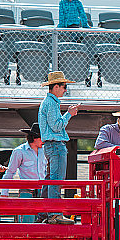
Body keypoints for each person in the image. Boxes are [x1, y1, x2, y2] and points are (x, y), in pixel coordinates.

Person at [38, 71, 80, 225]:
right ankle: (54, 214)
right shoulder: (51, 103)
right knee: (56, 180)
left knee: (50, 179)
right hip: (55, 145)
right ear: (56, 87)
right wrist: (69, 114)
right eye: (64, 86)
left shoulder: (49, 102)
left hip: (51, 145)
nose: (65, 89)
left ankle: (44, 212)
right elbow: (56, 126)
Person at [1, 123, 46, 223]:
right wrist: (4, 193)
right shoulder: (19, 151)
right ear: (34, 138)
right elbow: (10, 172)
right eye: (41, 138)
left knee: (42, 223)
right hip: (27, 190)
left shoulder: (45, 151)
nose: (44, 141)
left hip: (42, 190)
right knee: (26, 221)